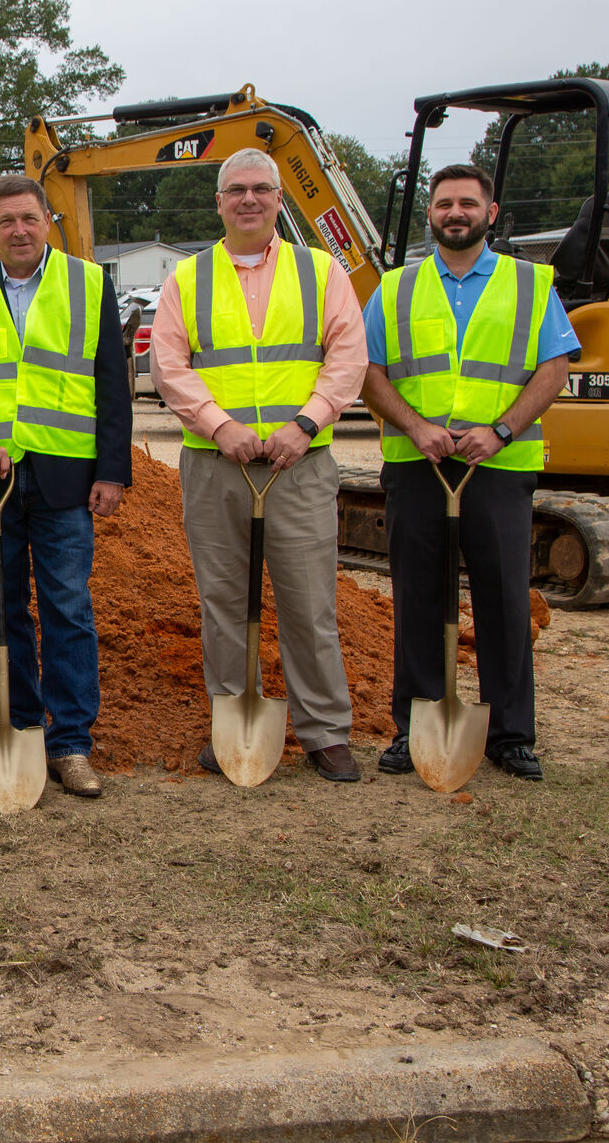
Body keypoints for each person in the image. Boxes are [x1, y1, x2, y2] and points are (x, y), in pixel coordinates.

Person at [147, 148, 367, 783]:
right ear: (219, 203)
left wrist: (305, 425)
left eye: (261, 189)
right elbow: (169, 365)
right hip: (217, 467)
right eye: (236, 190)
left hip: (299, 465)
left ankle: (325, 732)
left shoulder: (321, 271)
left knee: (308, 603)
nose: (249, 199)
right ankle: (232, 723)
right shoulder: (186, 279)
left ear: (279, 199)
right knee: (222, 602)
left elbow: (347, 356)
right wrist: (220, 426)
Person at [361, 163, 575, 782]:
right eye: (445, 203)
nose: (456, 213)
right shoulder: (396, 288)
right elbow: (369, 371)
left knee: (504, 598)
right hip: (417, 463)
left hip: (499, 467)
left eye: (467, 204)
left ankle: (511, 734)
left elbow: (553, 368)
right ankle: (415, 726)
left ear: (491, 213)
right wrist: (416, 427)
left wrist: (501, 430)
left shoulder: (530, 284)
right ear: (430, 212)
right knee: (419, 598)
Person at [0, 175, 133, 798]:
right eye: (6, 221)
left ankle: (69, 743)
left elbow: (109, 379)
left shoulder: (88, 282)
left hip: (66, 475)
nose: (19, 230)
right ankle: (21, 727)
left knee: (68, 605)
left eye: (29, 218)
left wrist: (112, 469)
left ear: (48, 220)